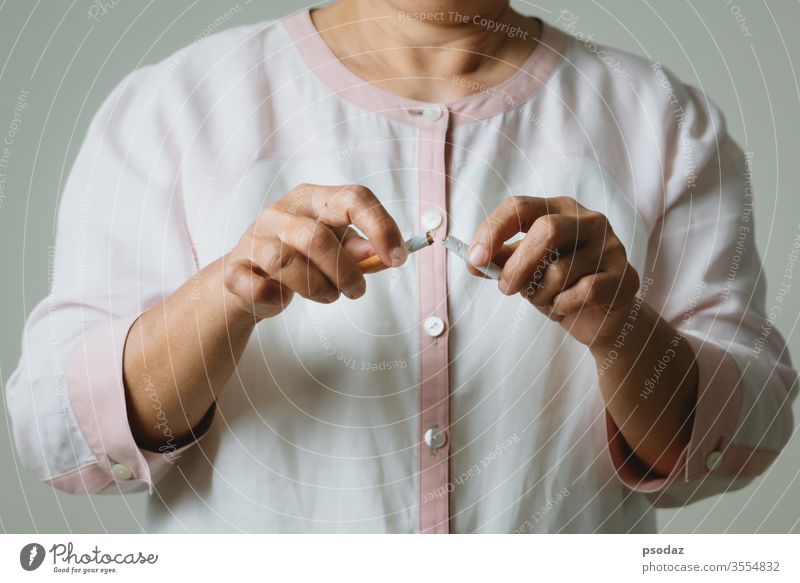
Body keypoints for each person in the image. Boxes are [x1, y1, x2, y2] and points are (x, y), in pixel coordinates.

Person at [7, 0, 796, 533]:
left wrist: (626, 332)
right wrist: (227, 294)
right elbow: (57, 432)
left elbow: (747, 431)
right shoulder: (172, 108)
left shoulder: (663, 121)